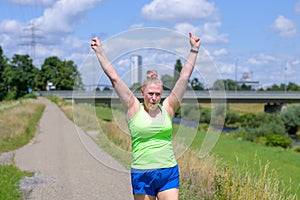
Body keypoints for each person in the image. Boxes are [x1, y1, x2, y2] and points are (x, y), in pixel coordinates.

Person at [91, 32, 200, 200]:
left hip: (168, 172)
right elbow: (114, 79)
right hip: (142, 173)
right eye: (150, 94)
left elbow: (184, 77)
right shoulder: (133, 107)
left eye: (157, 94)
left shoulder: (169, 107)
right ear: (142, 92)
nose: (154, 97)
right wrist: (99, 52)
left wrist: (194, 49)